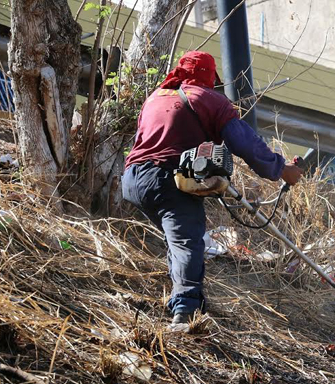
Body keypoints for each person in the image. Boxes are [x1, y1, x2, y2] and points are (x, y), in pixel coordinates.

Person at [122, 51, 303, 331]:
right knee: (186, 241)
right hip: (167, 179)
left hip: (133, 179)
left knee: (178, 238)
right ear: (209, 76)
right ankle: (185, 310)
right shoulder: (210, 100)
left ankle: (182, 296)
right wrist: (281, 170)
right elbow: (246, 144)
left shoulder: (155, 97)